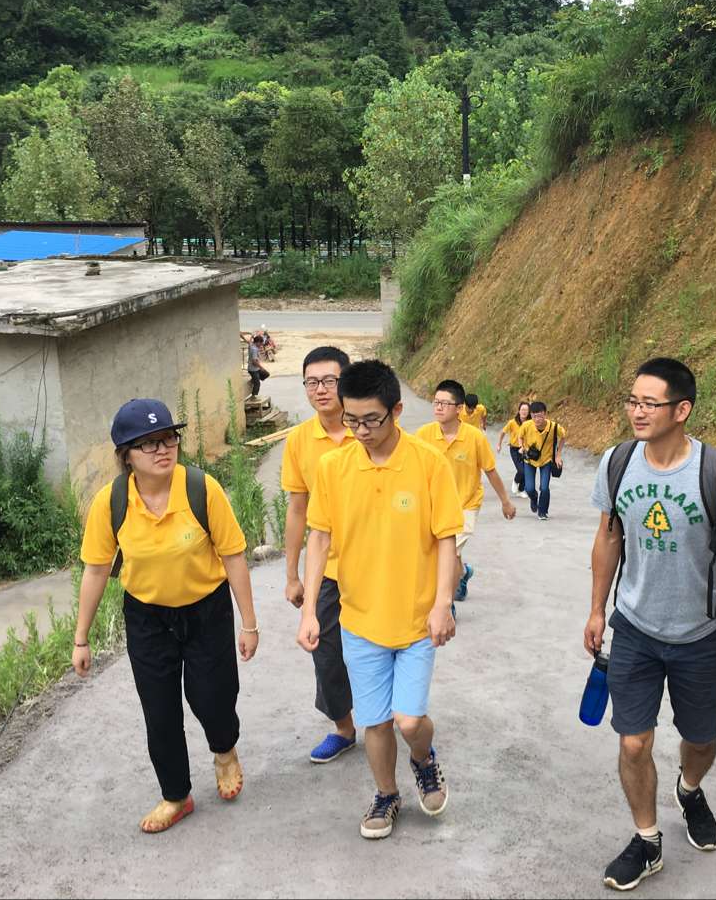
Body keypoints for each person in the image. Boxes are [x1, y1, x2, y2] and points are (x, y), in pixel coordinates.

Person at [584, 358, 716, 890]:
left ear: (681, 410)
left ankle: (689, 788)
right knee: (633, 743)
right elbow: (608, 537)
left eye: (649, 403)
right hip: (634, 629)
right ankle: (647, 840)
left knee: (700, 740)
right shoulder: (617, 463)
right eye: (632, 401)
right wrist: (596, 609)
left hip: (700, 636)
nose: (636, 412)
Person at [73, 398, 258, 834]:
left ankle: (224, 750)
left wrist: (248, 623)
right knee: (159, 709)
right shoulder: (111, 502)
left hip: (206, 609)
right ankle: (176, 795)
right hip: (147, 618)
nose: (163, 449)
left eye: (169, 438)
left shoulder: (201, 489)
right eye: (149, 443)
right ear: (126, 456)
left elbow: (233, 556)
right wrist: (81, 638)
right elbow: (96, 569)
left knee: (212, 697)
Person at [296, 359, 464, 840]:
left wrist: (442, 603)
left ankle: (423, 759)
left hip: (415, 621)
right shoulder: (333, 467)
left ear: (397, 410)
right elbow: (319, 538)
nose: (362, 430)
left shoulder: (428, 463)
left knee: (408, 721)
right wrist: (309, 610)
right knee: (374, 722)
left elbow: (446, 538)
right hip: (359, 619)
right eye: (351, 420)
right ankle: (387, 794)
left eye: (372, 419)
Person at [281, 346, 359, 764]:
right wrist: (292, 575)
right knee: (325, 651)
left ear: (345, 381)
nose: (321, 389)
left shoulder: (370, 428)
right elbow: (298, 509)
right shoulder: (299, 440)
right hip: (327, 567)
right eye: (312, 382)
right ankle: (344, 728)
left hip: (375, 563)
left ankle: (401, 721)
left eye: (330, 380)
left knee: (385, 645)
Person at [415, 379, 517, 604]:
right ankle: (463, 573)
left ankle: (446, 605)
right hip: (435, 506)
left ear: (459, 408)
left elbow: (490, 471)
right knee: (450, 554)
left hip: (466, 505)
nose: (438, 407)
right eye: (436, 402)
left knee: (449, 554)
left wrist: (505, 501)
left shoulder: (475, 437)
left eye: (444, 403)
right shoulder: (423, 435)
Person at [516, 401, 566, 520]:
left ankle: (543, 511)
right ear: (531, 415)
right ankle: (534, 498)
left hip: (546, 460)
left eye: (540, 416)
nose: (537, 419)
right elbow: (520, 436)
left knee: (544, 487)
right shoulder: (527, 425)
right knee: (529, 488)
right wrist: (521, 447)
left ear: (545, 414)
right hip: (530, 460)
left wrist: (558, 455)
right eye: (534, 416)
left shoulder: (554, 427)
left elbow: (563, 437)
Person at [497, 400, 532, 496]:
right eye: (522, 409)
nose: (524, 412)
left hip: (526, 449)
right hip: (515, 449)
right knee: (521, 470)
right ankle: (516, 481)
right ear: (519, 411)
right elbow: (503, 432)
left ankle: (521, 490)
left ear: (529, 412)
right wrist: (499, 444)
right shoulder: (512, 422)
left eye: (526, 410)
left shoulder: (530, 423)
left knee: (527, 471)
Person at [245, 334, 268, 399]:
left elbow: (249, 342)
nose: (261, 345)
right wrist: (261, 367)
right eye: (260, 343)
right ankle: (254, 396)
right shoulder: (254, 349)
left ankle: (253, 380)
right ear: (257, 342)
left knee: (266, 374)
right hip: (253, 370)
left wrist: (252, 337)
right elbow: (254, 362)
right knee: (257, 383)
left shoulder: (251, 345)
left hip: (254, 368)